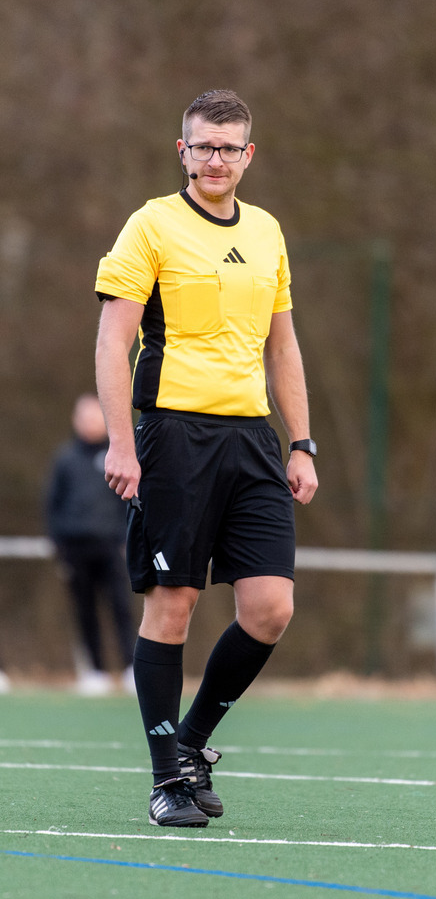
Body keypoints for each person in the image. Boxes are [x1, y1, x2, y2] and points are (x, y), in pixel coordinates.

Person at [94, 89, 318, 828]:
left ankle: (191, 744)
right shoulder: (150, 224)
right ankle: (166, 781)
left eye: (229, 148)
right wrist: (121, 442)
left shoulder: (266, 231)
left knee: (269, 608)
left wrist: (302, 442)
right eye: (202, 146)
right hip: (172, 436)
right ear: (182, 150)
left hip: (252, 439)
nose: (215, 159)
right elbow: (111, 341)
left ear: (248, 155)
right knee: (174, 606)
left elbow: (280, 344)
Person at [45, 393, 136, 695]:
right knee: (85, 611)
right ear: (76, 420)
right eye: (85, 416)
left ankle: (130, 669)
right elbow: (52, 505)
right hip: (75, 549)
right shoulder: (65, 459)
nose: (90, 422)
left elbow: (128, 501)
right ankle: (94, 671)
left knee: (122, 608)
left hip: (112, 547)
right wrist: (60, 546)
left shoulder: (118, 457)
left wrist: (127, 539)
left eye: (95, 416)